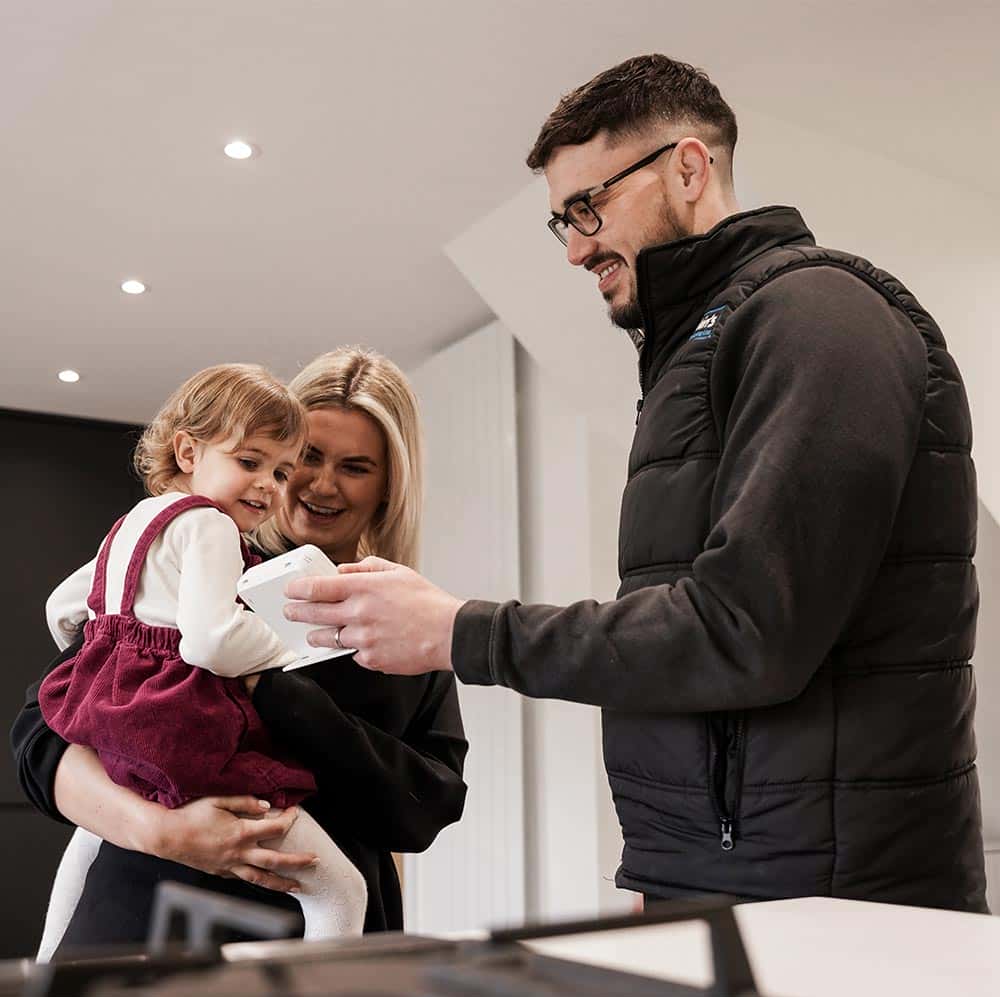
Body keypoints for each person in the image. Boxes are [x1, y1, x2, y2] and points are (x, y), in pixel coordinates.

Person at [283, 55, 987, 912]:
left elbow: (745, 630)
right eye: (562, 222)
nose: (576, 247)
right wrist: (660, 866)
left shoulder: (819, 317)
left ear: (689, 168)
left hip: (826, 898)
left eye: (590, 206)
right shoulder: (695, 352)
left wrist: (460, 630)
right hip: (719, 878)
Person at [11, 347, 468, 955]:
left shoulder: (404, 623)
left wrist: (280, 695)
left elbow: (427, 809)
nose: (320, 484)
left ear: (390, 486)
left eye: (356, 467)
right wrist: (160, 831)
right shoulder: (192, 565)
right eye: (306, 458)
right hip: (146, 927)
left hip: (316, 950)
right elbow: (42, 739)